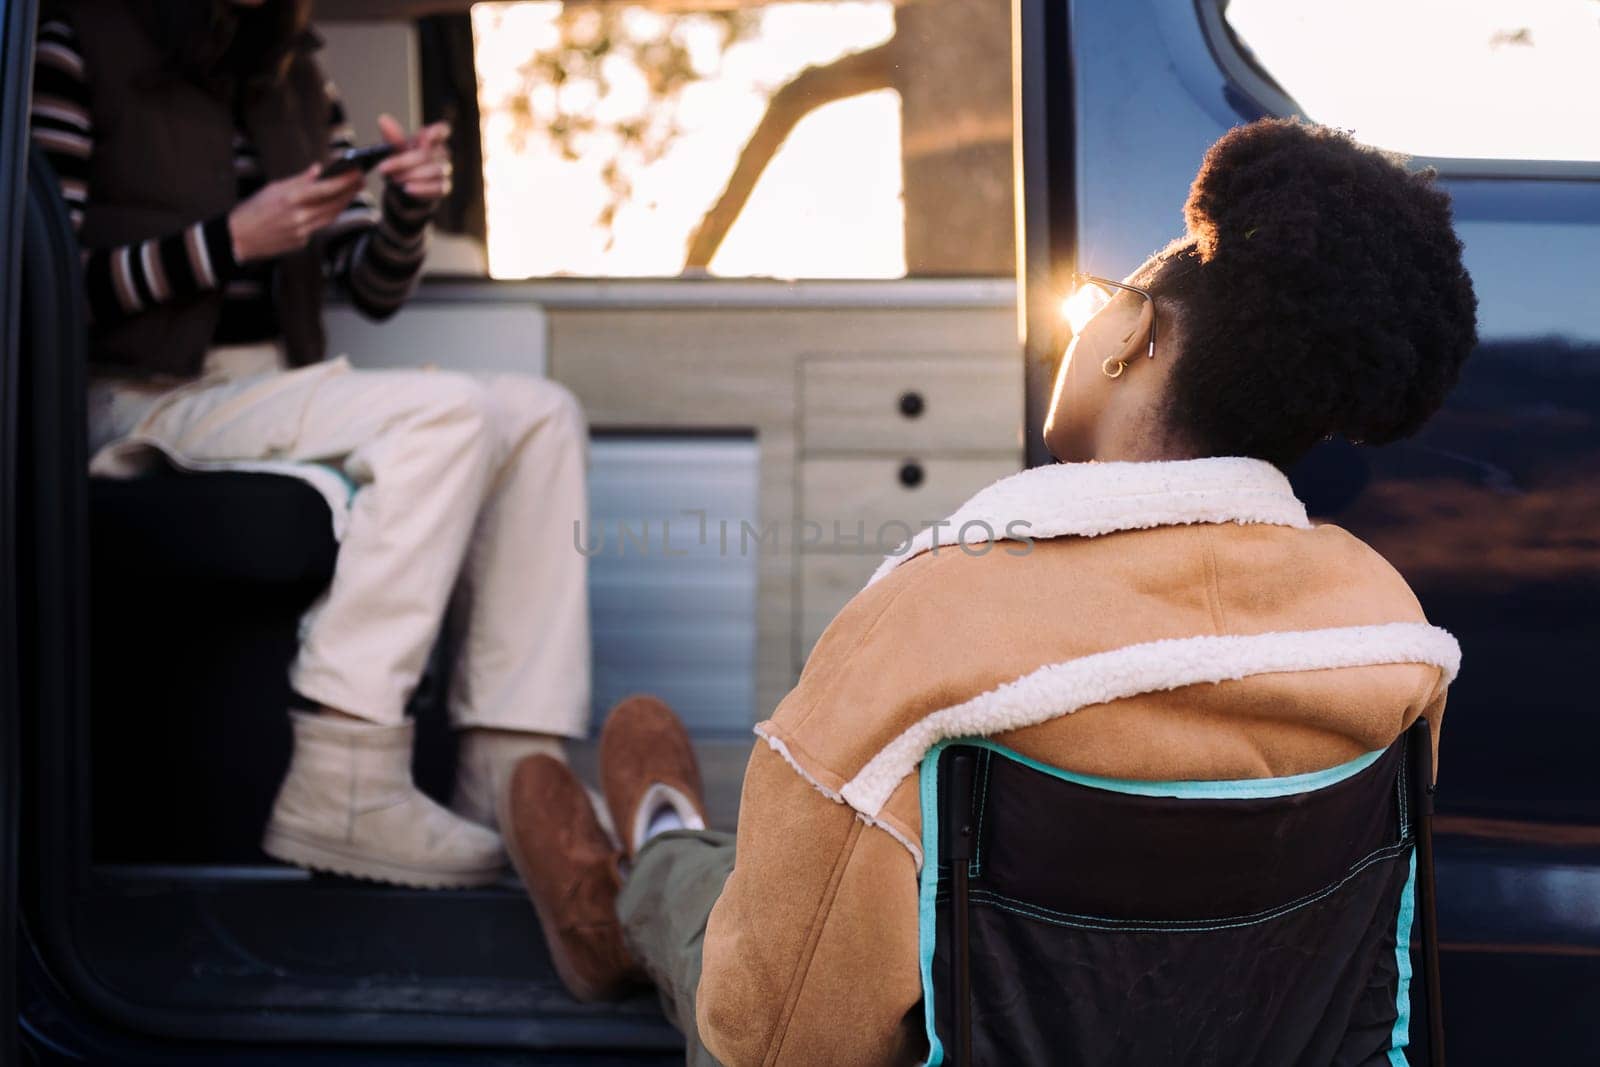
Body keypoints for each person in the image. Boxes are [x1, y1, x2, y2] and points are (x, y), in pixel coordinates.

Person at [501, 118, 1479, 1064]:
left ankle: (642, 870)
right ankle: (656, 850)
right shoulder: (1385, 631)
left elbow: (780, 1038)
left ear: (1130, 334)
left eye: (1095, 298)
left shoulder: (935, 628)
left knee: (722, 898)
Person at [31, 0, 590, 888]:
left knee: (538, 411)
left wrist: (404, 210)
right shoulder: (71, 45)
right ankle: (346, 776)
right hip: (136, 395)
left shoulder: (292, 69)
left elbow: (363, 281)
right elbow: (38, 277)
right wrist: (230, 241)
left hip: (263, 384)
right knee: (448, 411)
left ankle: (510, 782)